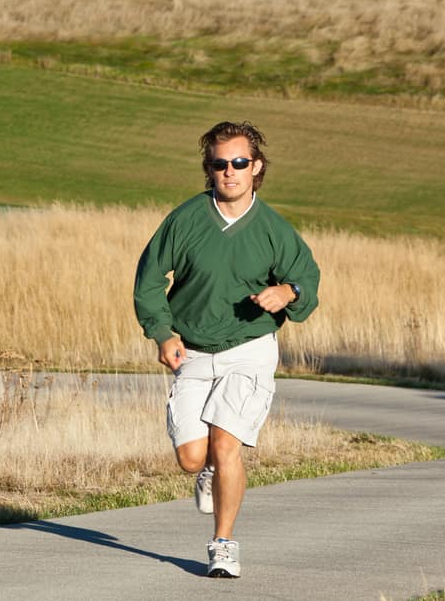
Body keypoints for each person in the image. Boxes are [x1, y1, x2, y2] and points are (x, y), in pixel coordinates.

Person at [133, 120, 320, 578]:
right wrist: (163, 333)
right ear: (209, 170)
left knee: (226, 443)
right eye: (220, 164)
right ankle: (209, 471)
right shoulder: (186, 219)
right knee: (192, 458)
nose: (230, 171)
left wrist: (288, 292)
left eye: (240, 163)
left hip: (250, 347)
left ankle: (223, 545)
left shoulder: (273, 228)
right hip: (193, 350)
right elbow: (150, 281)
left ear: (256, 167)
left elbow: (307, 278)